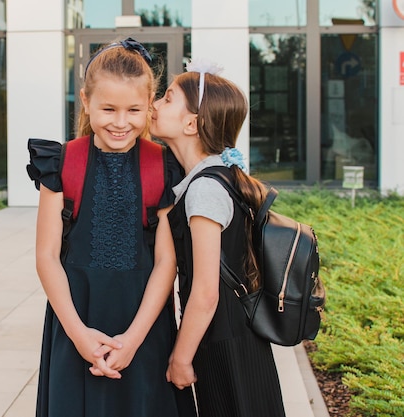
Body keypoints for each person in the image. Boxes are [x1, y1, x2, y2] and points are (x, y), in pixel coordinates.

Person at [26, 38, 195, 417]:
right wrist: (79, 336)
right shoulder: (61, 163)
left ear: (150, 105)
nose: (121, 122)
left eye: (134, 110)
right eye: (108, 109)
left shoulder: (162, 166)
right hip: (75, 323)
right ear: (85, 102)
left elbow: (167, 262)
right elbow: (46, 256)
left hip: (144, 326)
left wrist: (133, 340)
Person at [150, 60, 287, 416]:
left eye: (166, 99)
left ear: (191, 123)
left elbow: (207, 292)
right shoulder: (217, 177)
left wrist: (181, 357)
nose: (154, 105)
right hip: (234, 338)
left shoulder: (205, 190)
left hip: (226, 345)